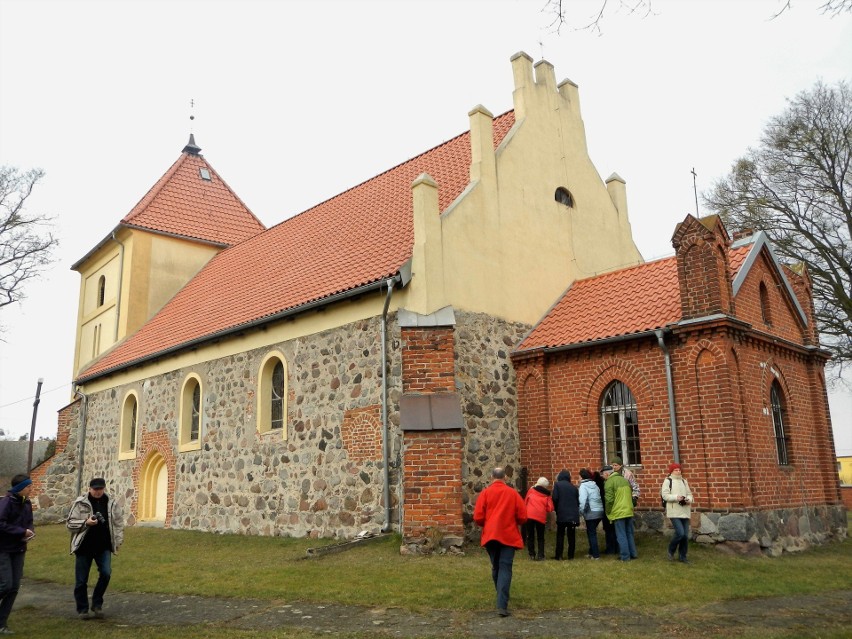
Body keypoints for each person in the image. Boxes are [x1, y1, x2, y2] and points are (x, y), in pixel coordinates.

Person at [67, 478, 125, 620]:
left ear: (104, 488)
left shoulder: (111, 503)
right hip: (84, 547)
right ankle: (83, 609)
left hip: (103, 546)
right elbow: (69, 524)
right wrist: (86, 522)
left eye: (100, 489)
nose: (98, 492)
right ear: (89, 489)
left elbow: (118, 523)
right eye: (95, 489)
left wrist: (118, 540)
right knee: (81, 580)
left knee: (106, 573)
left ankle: (97, 604)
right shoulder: (80, 503)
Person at [473, 467, 527, 618]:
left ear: (491, 477)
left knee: (496, 567)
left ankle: (501, 598)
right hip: (508, 535)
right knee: (505, 567)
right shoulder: (513, 494)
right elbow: (523, 516)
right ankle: (502, 603)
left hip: (491, 535)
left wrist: (488, 522)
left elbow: (478, 517)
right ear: (505, 478)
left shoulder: (485, 493)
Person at [0, 474, 34, 635]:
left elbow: (29, 522)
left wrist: (30, 531)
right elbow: (1, 523)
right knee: (5, 585)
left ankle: (2, 623)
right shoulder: (7, 502)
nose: (30, 489)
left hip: (19, 549)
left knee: (14, 587)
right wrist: (21, 531)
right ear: (20, 488)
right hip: (3, 549)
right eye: (28, 487)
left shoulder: (27, 503)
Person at [603, 465, 637, 562]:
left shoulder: (609, 482)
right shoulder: (623, 479)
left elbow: (609, 500)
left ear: (607, 474)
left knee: (621, 535)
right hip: (628, 510)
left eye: (603, 474)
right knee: (629, 533)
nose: (603, 476)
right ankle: (633, 553)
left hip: (619, 511)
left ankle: (625, 556)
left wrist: (608, 511)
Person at [661, 462, 694, 563]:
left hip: (684, 510)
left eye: (679, 469)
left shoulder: (684, 481)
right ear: (671, 471)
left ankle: (683, 556)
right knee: (680, 533)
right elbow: (665, 495)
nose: (678, 471)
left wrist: (689, 499)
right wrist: (676, 497)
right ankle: (671, 550)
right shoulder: (667, 481)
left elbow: (689, 494)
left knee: (685, 535)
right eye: (676, 470)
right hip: (674, 511)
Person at [551, 470, 579, 560]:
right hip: (573, 515)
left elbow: (555, 498)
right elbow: (577, 501)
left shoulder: (557, 485)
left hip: (562, 513)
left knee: (560, 535)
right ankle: (571, 555)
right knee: (571, 536)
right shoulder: (574, 487)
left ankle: (559, 555)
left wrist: (556, 509)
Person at [523, 476, 554, 561]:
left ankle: (531, 554)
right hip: (540, 517)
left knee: (530, 535)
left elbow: (525, 502)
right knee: (540, 537)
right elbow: (550, 508)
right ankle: (541, 555)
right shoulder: (547, 495)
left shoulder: (531, 491)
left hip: (529, 515)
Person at [578, 468, 604, 559]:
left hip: (591, 512)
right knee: (591, 532)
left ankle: (596, 555)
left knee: (591, 533)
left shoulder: (583, 486)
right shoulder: (595, 484)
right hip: (600, 511)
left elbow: (583, 500)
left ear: (581, 477)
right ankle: (591, 552)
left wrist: (581, 512)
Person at [593, 470, 618, 555]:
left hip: (607, 509)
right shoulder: (605, 483)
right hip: (612, 508)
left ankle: (610, 549)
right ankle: (615, 548)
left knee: (609, 530)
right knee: (613, 529)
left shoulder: (603, 485)